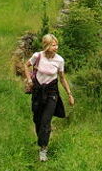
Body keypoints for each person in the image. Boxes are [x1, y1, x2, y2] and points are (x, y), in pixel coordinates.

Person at [24, 33, 75, 162]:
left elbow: (62, 78)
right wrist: (29, 79)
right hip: (38, 91)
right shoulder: (38, 56)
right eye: (53, 45)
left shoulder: (59, 60)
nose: (56, 47)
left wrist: (69, 94)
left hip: (52, 92)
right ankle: (41, 140)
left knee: (46, 121)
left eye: (57, 44)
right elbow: (26, 65)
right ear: (46, 45)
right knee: (37, 120)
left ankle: (43, 149)